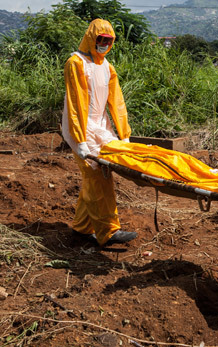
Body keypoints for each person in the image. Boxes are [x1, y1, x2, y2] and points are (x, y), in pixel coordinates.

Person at [62, 18, 137, 246]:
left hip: (101, 127)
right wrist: (79, 139)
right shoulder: (76, 63)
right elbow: (76, 103)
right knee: (98, 177)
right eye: (100, 39)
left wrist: (123, 133)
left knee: (95, 177)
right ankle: (108, 231)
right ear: (91, 38)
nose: (104, 43)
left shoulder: (107, 67)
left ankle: (82, 228)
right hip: (81, 128)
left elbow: (117, 101)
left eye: (108, 40)